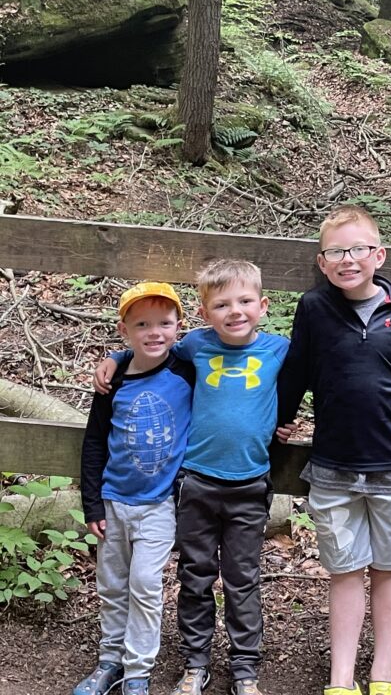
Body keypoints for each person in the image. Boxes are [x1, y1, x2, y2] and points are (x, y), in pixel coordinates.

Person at [276, 204, 391, 695]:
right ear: (322, 262)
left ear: (379, 254)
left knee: (390, 568)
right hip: (333, 467)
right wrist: (277, 421)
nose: (347, 259)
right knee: (343, 570)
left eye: (358, 249)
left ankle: (383, 672)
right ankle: (342, 676)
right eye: (336, 252)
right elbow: (295, 371)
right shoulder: (314, 309)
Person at [95, 260, 289, 695]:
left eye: (244, 302)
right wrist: (114, 357)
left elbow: (327, 365)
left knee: (243, 580)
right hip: (197, 483)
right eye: (222, 304)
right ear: (204, 314)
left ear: (263, 306)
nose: (234, 311)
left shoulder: (279, 349)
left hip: (250, 484)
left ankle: (244, 669)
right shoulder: (196, 346)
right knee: (195, 575)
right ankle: (195, 663)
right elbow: (151, 348)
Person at [75, 282, 195, 695]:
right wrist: (93, 504)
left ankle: (138, 669)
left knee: (145, 582)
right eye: (142, 324)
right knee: (111, 584)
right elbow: (94, 443)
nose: (154, 332)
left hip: (159, 504)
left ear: (179, 325)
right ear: (124, 329)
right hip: (113, 502)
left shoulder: (186, 370)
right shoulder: (114, 381)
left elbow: (226, 341)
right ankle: (110, 661)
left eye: (164, 323)